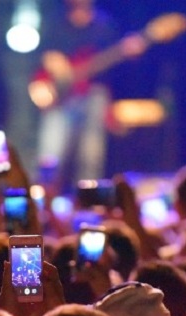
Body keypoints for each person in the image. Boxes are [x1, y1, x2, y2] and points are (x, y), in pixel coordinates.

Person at [34, 0, 146, 191]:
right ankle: (44, 202)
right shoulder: (56, 23)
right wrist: (54, 64)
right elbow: (42, 57)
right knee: (51, 153)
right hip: (61, 98)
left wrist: (131, 52)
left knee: (91, 156)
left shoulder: (104, 25)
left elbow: (117, 66)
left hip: (94, 96)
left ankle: (87, 203)